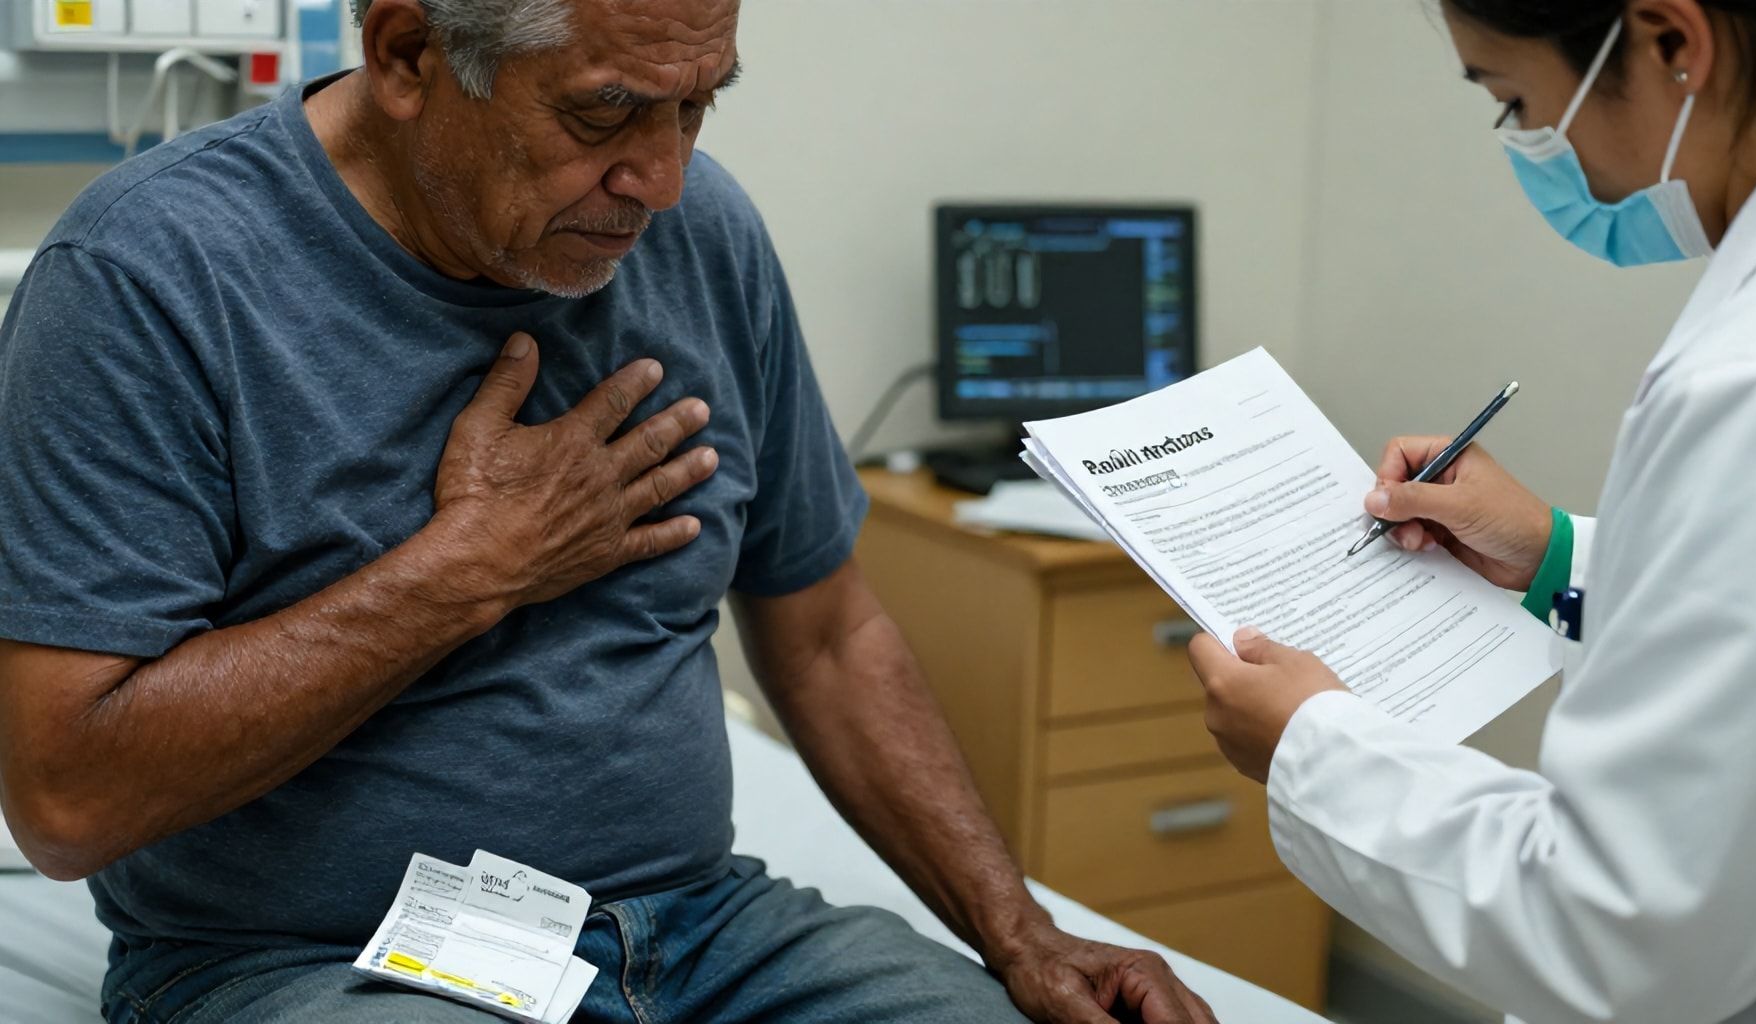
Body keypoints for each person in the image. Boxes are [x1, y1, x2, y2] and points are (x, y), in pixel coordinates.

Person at [0, 2, 1217, 1022]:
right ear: (410, 56)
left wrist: (1018, 930)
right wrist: (467, 573)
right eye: (605, 114)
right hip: (322, 959)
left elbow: (830, 633)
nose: (664, 179)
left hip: (702, 933)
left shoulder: (704, 234)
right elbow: (64, 801)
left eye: (697, 106)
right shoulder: (149, 278)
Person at [1185, 2, 1756, 1022]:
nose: (1531, 150)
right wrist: (1556, 555)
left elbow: (1624, 932)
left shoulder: (1755, 383)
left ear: (1672, 44)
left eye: (1515, 99)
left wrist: (1306, 744)